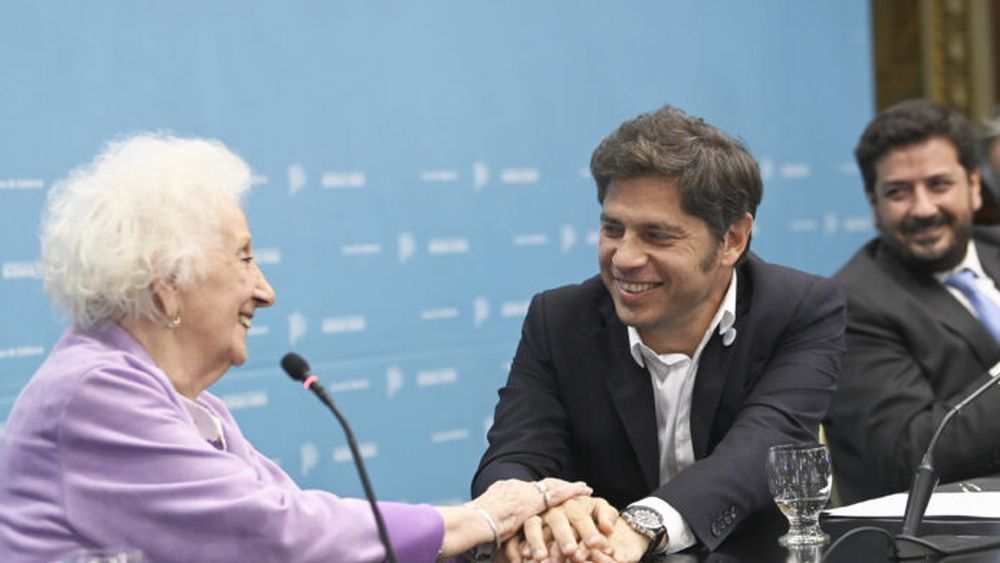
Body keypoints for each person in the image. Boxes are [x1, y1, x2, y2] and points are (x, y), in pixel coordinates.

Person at [0, 133, 591, 563]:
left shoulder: (185, 405)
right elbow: (274, 535)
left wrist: (477, 534)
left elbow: (297, 518)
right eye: (244, 258)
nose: (265, 290)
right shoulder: (96, 394)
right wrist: (479, 520)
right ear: (167, 281)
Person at [472, 105, 846, 561]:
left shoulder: (799, 309)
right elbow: (514, 456)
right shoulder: (559, 318)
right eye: (613, 229)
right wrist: (537, 512)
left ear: (732, 240)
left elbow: (764, 444)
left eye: (657, 236)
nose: (624, 257)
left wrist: (641, 526)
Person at [825, 99, 1000, 503]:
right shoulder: (850, 304)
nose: (923, 209)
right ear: (874, 205)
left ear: (974, 187)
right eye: (899, 192)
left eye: (939, 184)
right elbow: (909, 451)